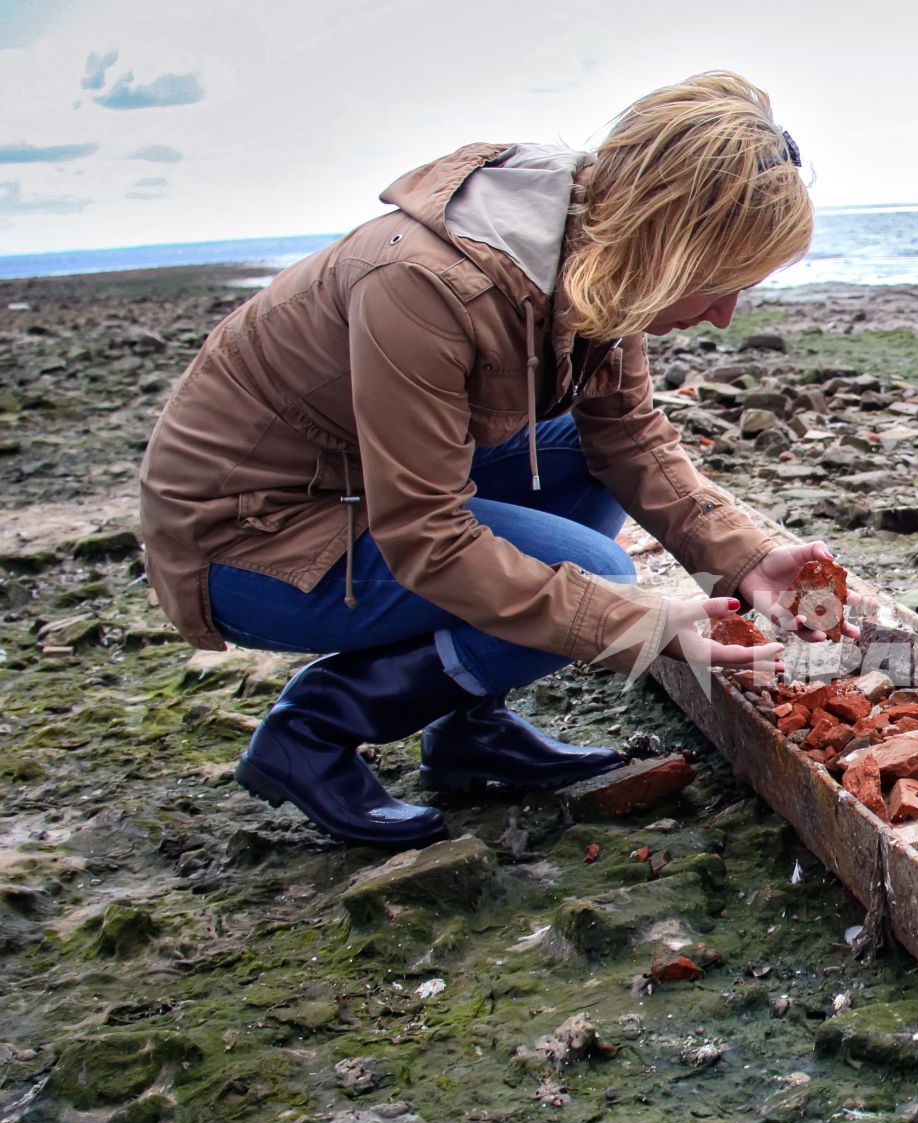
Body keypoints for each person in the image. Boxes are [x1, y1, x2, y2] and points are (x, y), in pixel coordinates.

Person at [138, 71, 845, 849]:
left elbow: (630, 437)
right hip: (248, 542)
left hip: (354, 489)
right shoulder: (421, 284)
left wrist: (746, 559)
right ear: (665, 239)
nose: (721, 316)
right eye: (715, 285)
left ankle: (468, 729)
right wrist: (638, 626)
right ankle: (312, 730)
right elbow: (427, 537)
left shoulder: (604, 257)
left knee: (581, 456)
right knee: (600, 578)